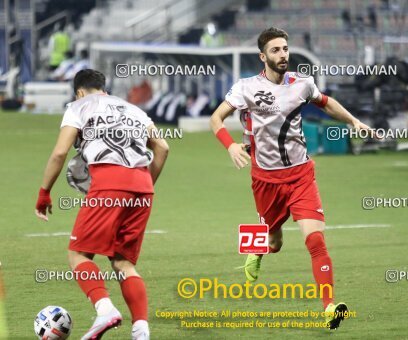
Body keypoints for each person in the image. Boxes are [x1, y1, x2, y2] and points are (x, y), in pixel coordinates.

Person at [209, 27, 371, 330]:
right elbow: (216, 118)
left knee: (315, 240)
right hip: (266, 180)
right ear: (263, 56)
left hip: (301, 176)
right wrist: (230, 144)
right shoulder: (245, 87)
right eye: (275, 50)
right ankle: (254, 247)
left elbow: (326, 102)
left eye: (285, 49)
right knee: (275, 242)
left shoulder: (302, 84)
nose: (283, 54)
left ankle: (329, 307)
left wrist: (353, 120)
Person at [34, 69, 169, 339]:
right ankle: (141, 330)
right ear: (103, 88)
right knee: (123, 263)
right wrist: (144, 186)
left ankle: (104, 309)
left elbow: (60, 152)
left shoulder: (78, 106)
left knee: (78, 255)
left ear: (80, 92)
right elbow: (163, 147)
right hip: (143, 188)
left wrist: (44, 192)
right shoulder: (134, 109)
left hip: (109, 183)